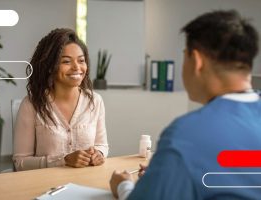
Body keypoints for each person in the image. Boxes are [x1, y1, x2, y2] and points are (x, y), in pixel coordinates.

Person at [110, 10, 261, 199]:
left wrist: (124, 186)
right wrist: (171, 171)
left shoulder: (186, 134)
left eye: (184, 56)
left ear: (197, 61)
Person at [12, 28, 108, 171]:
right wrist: (62, 160)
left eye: (81, 60)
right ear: (50, 67)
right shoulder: (31, 104)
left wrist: (99, 154)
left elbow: (102, 145)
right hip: (45, 187)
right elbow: (20, 162)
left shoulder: (95, 101)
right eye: (66, 61)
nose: (77, 67)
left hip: (86, 184)